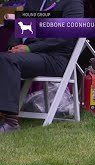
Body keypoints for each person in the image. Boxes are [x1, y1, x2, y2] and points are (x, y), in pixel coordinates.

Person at [0, 0, 84, 133]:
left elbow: (64, 36)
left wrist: (29, 48)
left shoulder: (72, 3)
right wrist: (12, 46)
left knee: (8, 60)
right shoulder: (36, 2)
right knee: (6, 58)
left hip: (55, 57)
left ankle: (11, 122)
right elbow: (20, 27)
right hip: (33, 54)